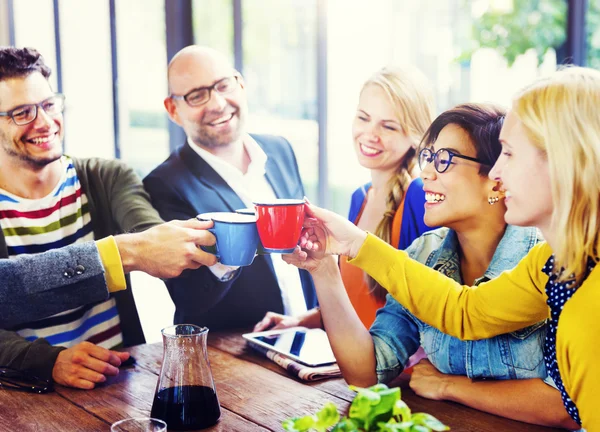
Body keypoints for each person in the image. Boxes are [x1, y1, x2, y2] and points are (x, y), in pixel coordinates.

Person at [291, 67, 600, 430]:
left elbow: (568, 407)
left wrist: (448, 386)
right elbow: (464, 311)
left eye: (510, 154)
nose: (499, 171)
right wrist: (337, 256)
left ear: (563, 159)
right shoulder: (550, 264)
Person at [0, 47, 217, 390]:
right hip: (26, 398)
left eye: (48, 104)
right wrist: (48, 361)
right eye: (22, 113)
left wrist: (174, 242)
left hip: (118, 385)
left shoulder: (106, 176)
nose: (44, 122)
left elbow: (147, 230)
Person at [143, 45, 317, 330]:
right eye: (197, 95)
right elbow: (189, 298)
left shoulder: (280, 149)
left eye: (223, 85)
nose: (217, 104)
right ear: (173, 110)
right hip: (233, 358)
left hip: (306, 342)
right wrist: (229, 253)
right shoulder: (164, 185)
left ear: (241, 84)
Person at [254, 65, 436, 332]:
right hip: (353, 363)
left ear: (415, 136)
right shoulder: (360, 198)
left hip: (397, 370)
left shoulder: (420, 198)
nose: (370, 134)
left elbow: (433, 306)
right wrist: (299, 322)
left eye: (388, 126)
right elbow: (356, 303)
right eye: (364, 118)